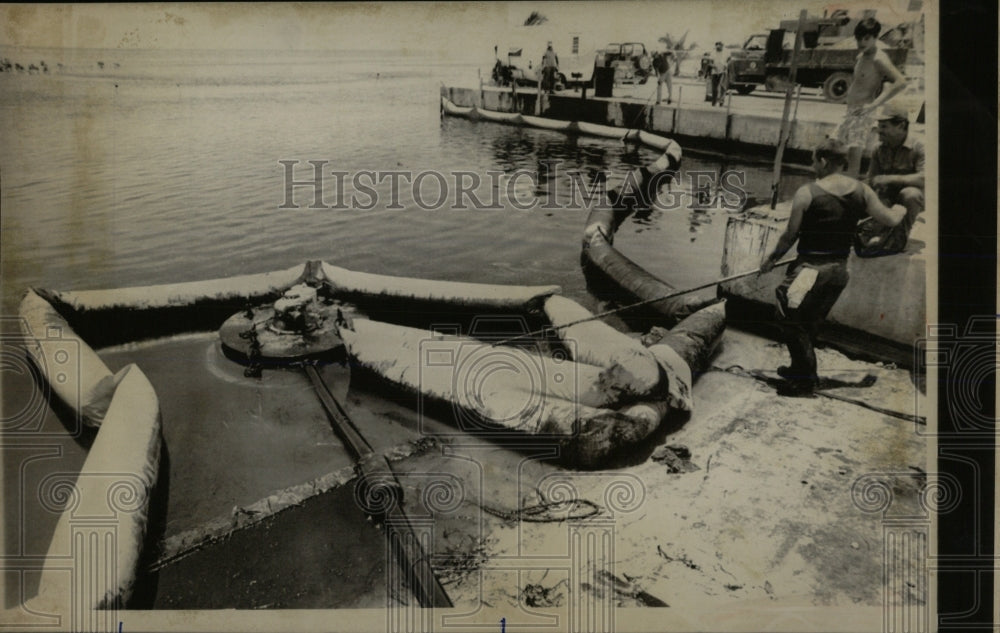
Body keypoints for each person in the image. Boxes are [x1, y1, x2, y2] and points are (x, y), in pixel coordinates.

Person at [758, 138, 906, 396]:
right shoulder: (862, 190)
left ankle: (805, 380)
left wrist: (770, 259)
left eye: (814, 160)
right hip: (839, 272)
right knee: (810, 322)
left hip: (809, 272)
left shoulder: (808, 193)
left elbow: (789, 236)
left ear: (824, 161)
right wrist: (903, 207)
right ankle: (797, 369)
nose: (813, 165)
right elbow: (891, 219)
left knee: (787, 316)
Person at [835, 17, 906, 177]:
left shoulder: (879, 58)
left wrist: (874, 105)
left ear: (875, 37)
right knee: (836, 151)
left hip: (863, 112)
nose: (861, 42)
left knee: (853, 161)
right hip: (851, 111)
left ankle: (848, 196)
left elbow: (901, 82)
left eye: (866, 38)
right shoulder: (861, 56)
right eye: (859, 38)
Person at [854, 102, 925, 256]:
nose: (879, 130)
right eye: (879, 126)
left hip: (917, 199)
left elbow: (926, 179)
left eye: (884, 126)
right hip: (888, 198)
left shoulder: (920, 146)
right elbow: (871, 180)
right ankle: (877, 229)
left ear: (900, 126)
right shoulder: (878, 149)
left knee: (910, 194)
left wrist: (890, 179)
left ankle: (899, 240)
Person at [707, 41, 729, 106]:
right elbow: (710, 63)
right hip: (715, 72)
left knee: (722, 86)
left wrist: (726, 65)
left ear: (722, 46)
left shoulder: (726, 53)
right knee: (714, 88)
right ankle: (714, 101)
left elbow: (730, 60)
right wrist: (714, 66)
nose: (718, 47)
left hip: (723, 71)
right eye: (717, 46)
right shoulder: (713, 53)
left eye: (720, 45)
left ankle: (721, 101)